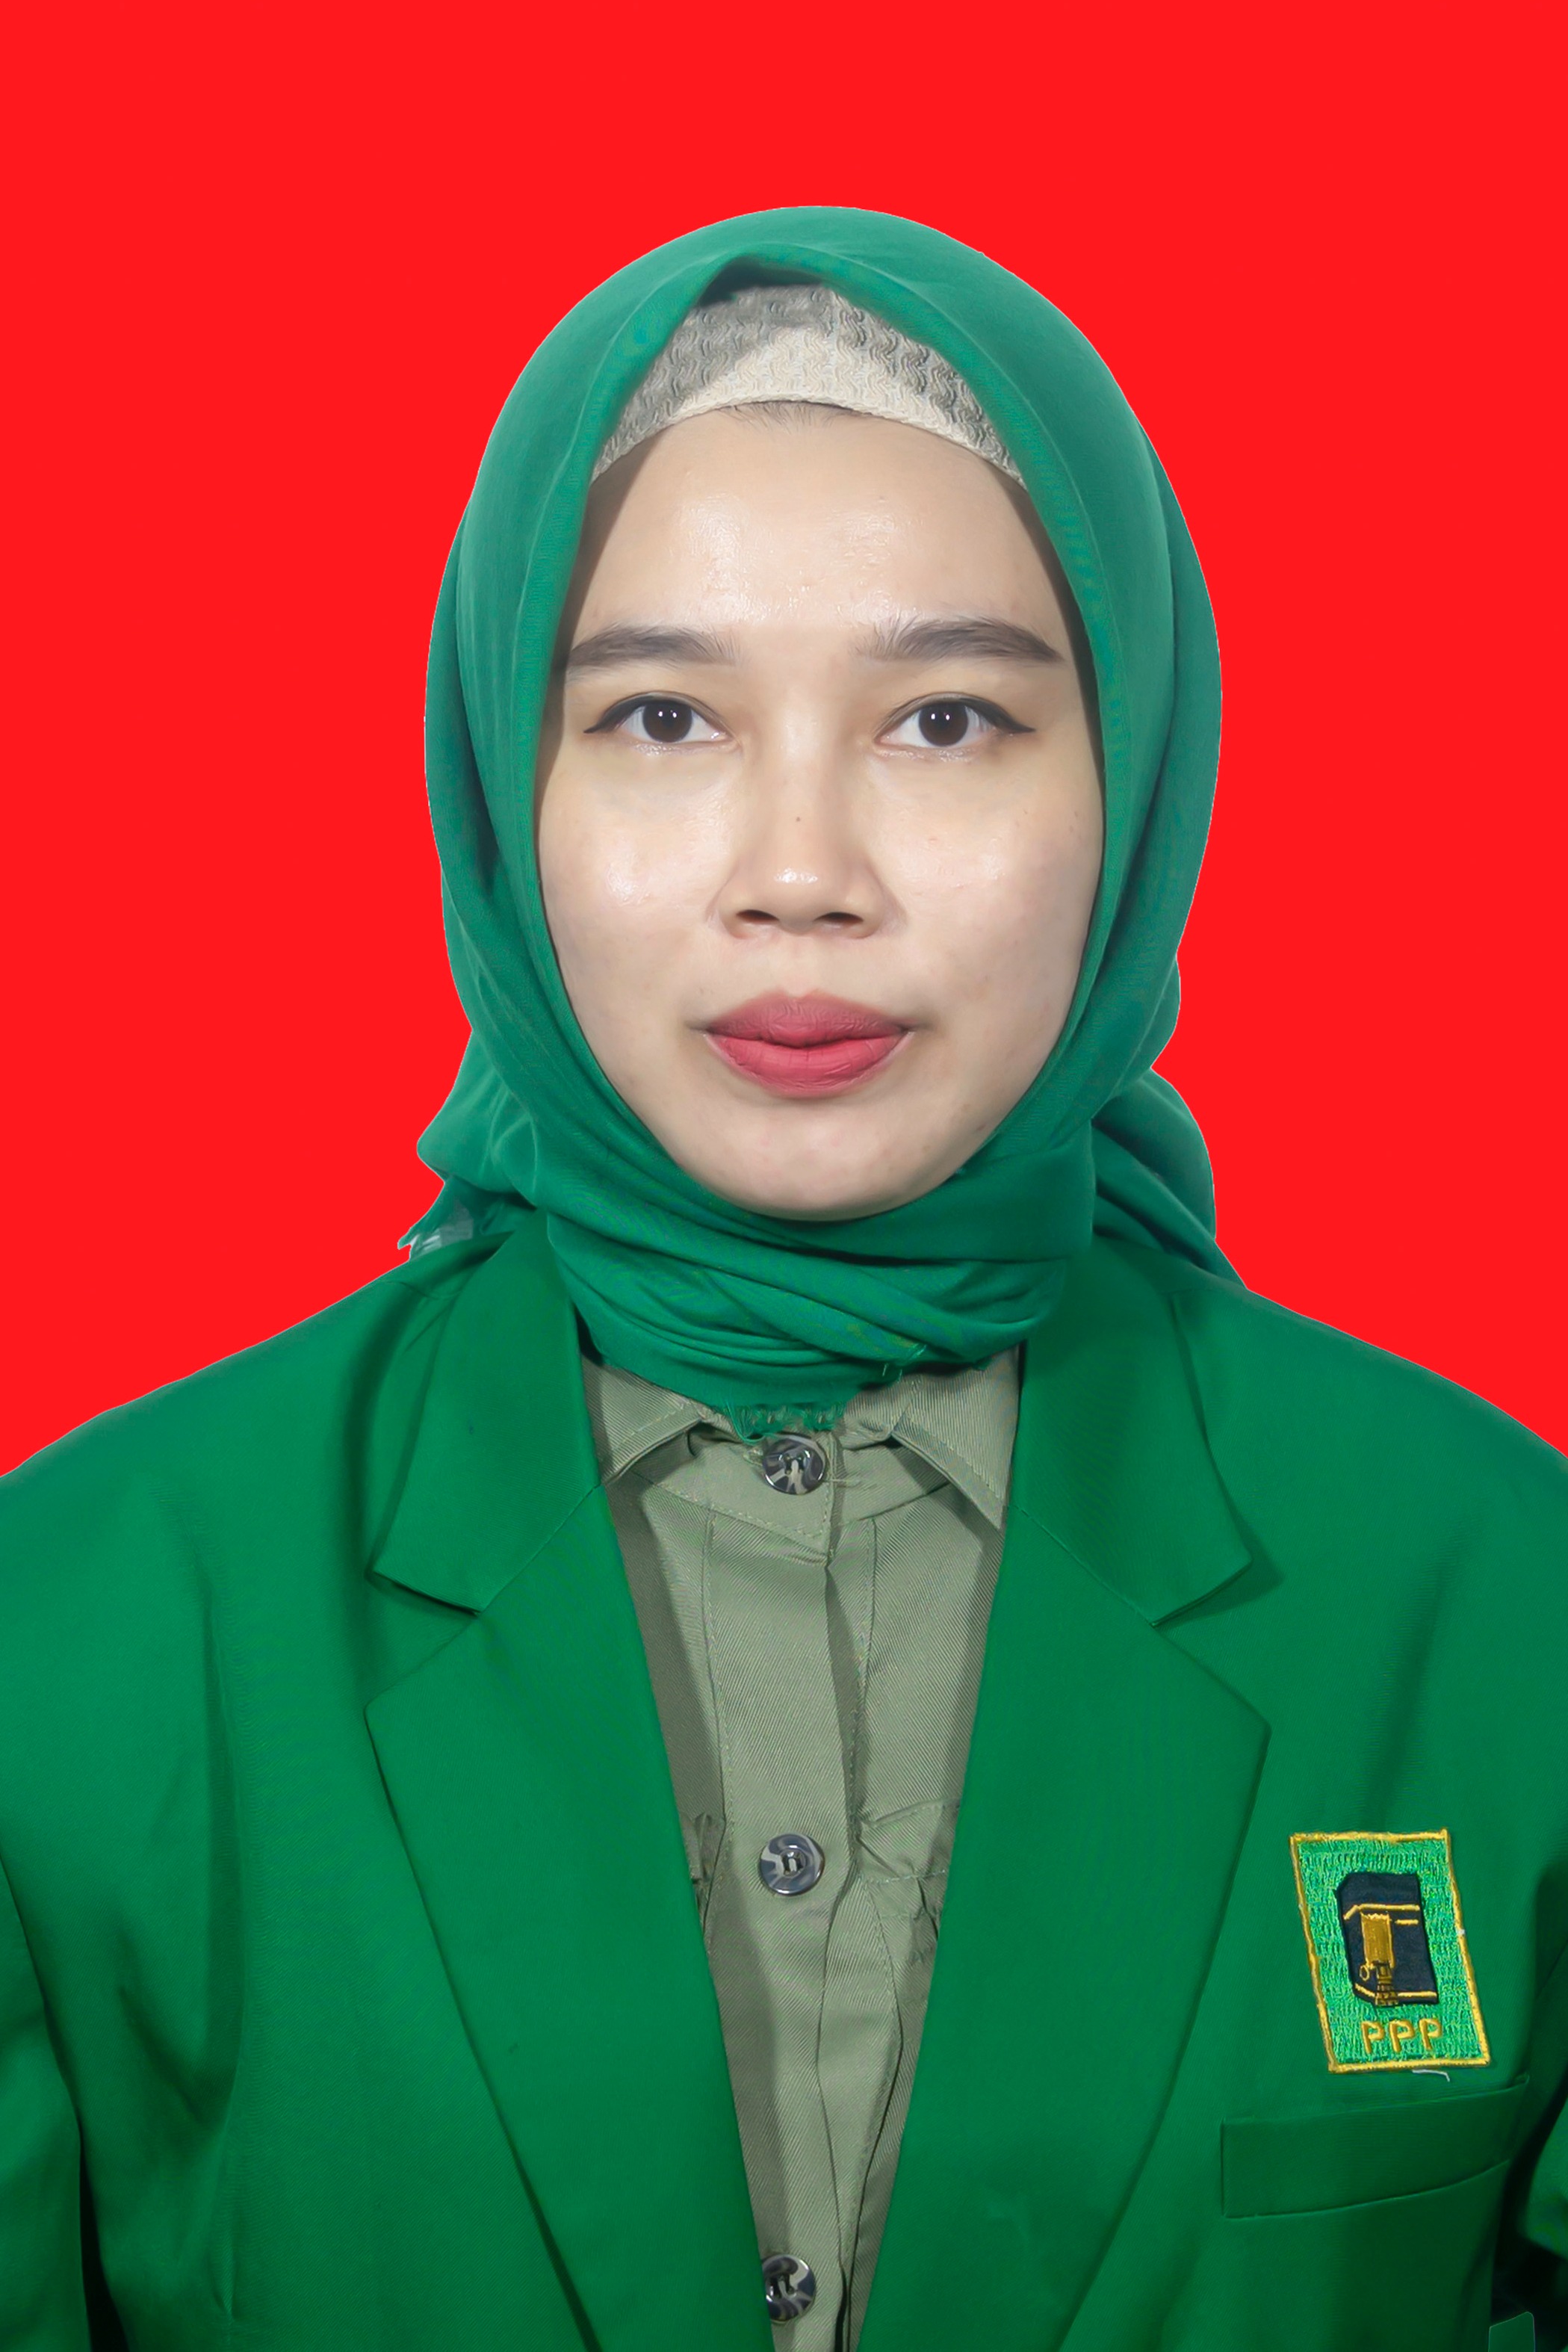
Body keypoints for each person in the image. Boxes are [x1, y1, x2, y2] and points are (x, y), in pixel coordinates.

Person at [1, 208, 1564, 2352]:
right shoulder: (77, 1624)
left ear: (1134, 785)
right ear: (503, 790)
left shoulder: (1498, 1596)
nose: (802, 873)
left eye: (946, 719)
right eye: (661, 715)